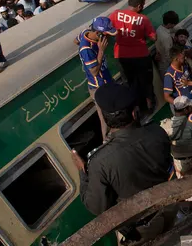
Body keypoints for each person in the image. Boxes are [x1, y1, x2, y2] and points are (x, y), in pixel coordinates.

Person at [73, 82, 172, 241]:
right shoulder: (157, 132)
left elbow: (96, 206)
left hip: (140, 231)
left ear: (105, 120)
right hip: (168, 210)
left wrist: (82, 172)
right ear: (134, 114)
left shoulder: (99, 162)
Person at [110, 0, 156, 112]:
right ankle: (150, 107)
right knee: (146, 83)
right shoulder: (143, 19)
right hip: (141, 55)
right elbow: (153, 37)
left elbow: (106, 29)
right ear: (140, 6)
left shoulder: (115, 14)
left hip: (121, 56)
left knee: (129, 85)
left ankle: (136, 111)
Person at [77, 17, 118, 139]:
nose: (107, 37)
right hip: (99, 86)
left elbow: (76, 40)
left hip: (107, 80)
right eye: (106, 34)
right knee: (105, 116)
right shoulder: (87, 49)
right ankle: (107, 139)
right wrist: (100, 51)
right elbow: (94, 71)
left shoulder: (85, 33)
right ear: (98, 33)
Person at [168, 96, 192, 178]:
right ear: (185, 110)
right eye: (190, 107)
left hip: (179, 161)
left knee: (185, 183)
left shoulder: (166, 125)